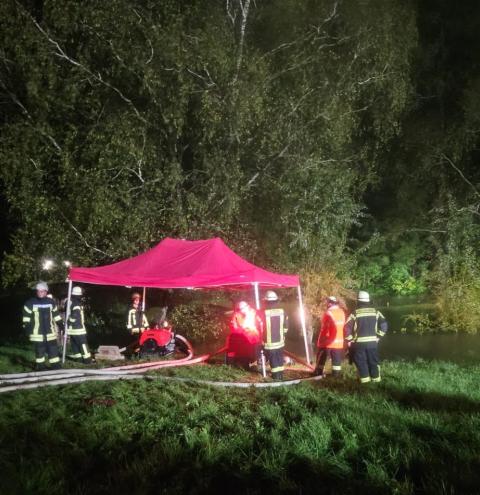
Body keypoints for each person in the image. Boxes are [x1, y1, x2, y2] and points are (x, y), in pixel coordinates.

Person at [344, 290, 388, 383]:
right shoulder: (375, 312)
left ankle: (365, 383)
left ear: (358, 301)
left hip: (359, 345)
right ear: (368, 301)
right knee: (373, 362)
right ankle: (376, 381)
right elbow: (384, 325)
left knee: (361, 363)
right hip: (372, 344)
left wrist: (350, 340)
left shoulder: (355, 314)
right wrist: (378, 336)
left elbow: (346, 328)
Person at [22, 281, 63, 370]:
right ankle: (40, 367)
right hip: (37, 333)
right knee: (40, 351)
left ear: (46, 291)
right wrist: (27, 329)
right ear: (36, 291)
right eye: (38, 291)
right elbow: (26, 318)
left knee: (53, 350)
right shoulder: (30, 303)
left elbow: (56, 315)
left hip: (50, 333)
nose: (40, 293)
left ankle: (56, 366)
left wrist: (61, 325)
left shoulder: (51, 302)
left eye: (42, 291)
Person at [314, 296, 346, 377]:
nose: (327, 304)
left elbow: (324, 328)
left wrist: (321, 341)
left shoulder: (328, 313)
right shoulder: (342, 312)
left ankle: (318, 372)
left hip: (328, 341)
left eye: (328, 302)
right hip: (339, 342)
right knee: (336, 361)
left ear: (330, 303)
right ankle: (336, 376)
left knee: (321, 357)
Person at [226, 300, 263, 369]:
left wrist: (260, 334)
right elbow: (233, 326)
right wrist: (241, 331)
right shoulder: (236, 315)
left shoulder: (253, 313)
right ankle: (235, 362)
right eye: (240, 309)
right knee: (232, 343)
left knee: (254, 347)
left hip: (252, 335)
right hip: (241, 336)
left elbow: (260, 324)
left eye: (243, 309)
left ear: (247, 307)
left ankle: (255, 360)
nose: (242, 311)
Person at [261, 290, 288, 380]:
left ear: (266, 301)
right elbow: (286, 325)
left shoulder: (263, 313)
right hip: (280, 341)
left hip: (270, 343)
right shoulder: (282, 311)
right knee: (280, 358)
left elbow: (261, 328)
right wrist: (283, 334)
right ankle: (280, 376)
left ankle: (276, 377)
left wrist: (262, 339)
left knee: (273, 360)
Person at [66, 286, 92, 364]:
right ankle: (87, 360)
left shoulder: (69, 302)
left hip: (71, 329)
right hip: (78, 329)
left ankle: (79, 359)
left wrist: (68, 324)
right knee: (83, 344)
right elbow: (75, 315)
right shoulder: (76, 303)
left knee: (74, 345)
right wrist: (70, 322)